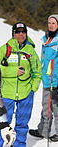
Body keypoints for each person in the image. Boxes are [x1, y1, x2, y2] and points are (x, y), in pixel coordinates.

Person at [0, 22, 42, 147]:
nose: (21, 34)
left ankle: (19, 144)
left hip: (26, 93)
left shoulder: (30, 50)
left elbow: (37, 70)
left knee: (22, 123)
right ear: (13, 33)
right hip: (7, 92)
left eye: (23, 32)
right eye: (18, 32)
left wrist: (33, 87)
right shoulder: (5, 49)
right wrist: (14, 72)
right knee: (3, 122)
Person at [29, 14, 58, 142]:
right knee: (46, 105)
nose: (50, 25)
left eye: (53, 23)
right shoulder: (46, 39)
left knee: (56, 107)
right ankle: (43, 130)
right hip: (47, 79)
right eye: (49, 23)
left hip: (56, 79)